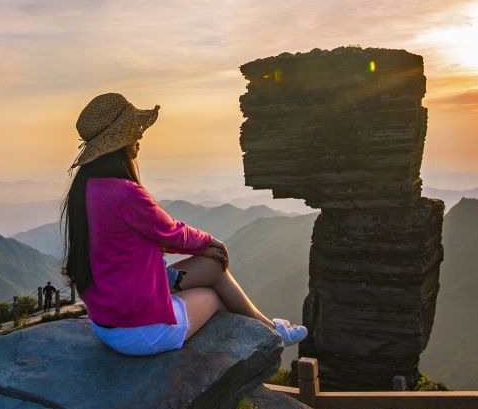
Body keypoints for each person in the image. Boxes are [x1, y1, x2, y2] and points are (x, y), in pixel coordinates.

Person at [60, 92, 308, 357]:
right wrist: (209, 242)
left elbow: (157, 236)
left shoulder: (86, 189)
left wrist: (205, 249)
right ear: (118, 141)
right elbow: (170, 231)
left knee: (213, 266)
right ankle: (268, 336)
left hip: (106, 322)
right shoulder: (125, 193)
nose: (139, 137)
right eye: (133, 131)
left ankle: (269, 329)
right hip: (140, 331)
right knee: (214, 297)